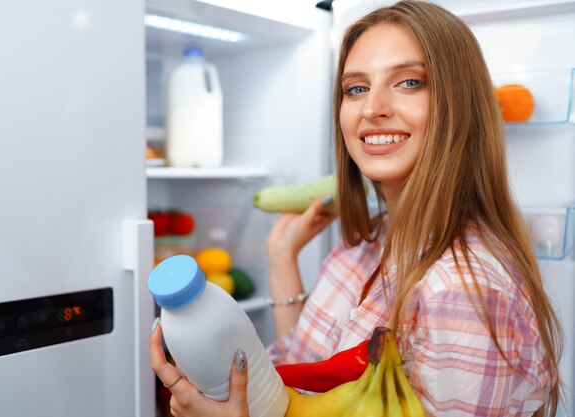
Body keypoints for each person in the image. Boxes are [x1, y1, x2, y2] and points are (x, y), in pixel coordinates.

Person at [149, 1, 564, 416]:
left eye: (409, 82)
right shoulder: (368, 241)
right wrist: (281, 256)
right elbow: (306, 382)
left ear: (462, 104)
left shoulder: (463, 294)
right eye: (356, 89)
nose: (371, 108)